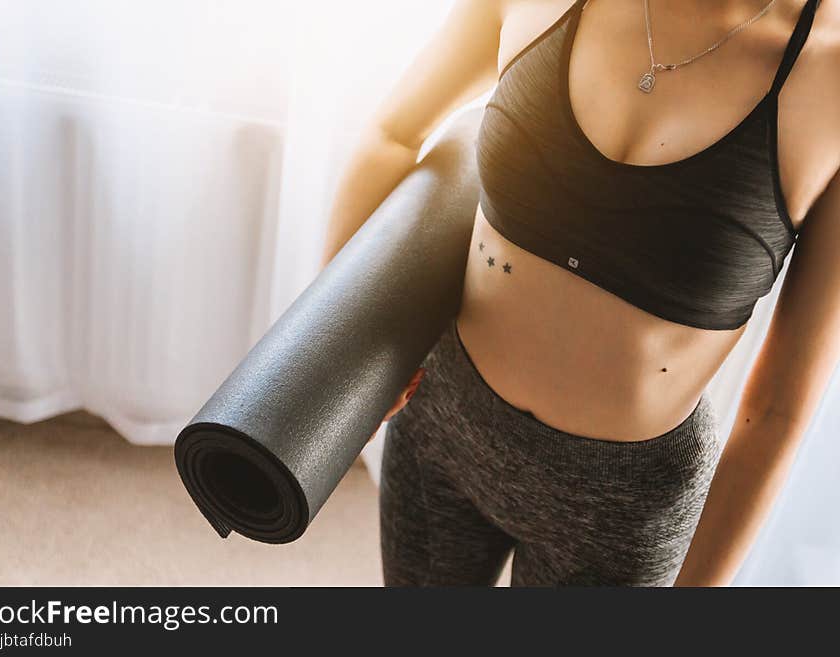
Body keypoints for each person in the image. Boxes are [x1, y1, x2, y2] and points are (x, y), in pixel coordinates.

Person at [319, 0, 840, 586]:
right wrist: (342, 372)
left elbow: (776, 411)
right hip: (443, 426)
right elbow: (391, 136)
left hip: (623, 512)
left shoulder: (830, 77)